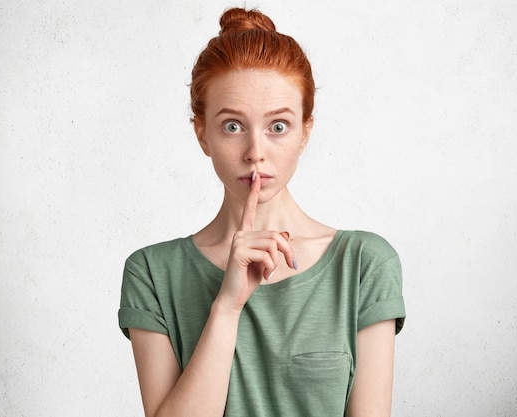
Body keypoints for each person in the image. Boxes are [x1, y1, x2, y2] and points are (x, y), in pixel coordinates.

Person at [119, 7, 405, 417]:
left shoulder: (363, 265)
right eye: (233, 126)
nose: (256, 152)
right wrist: (228, 305)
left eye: (278, 126)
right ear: (202, 134)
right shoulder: (152, 273)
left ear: (305, 131)